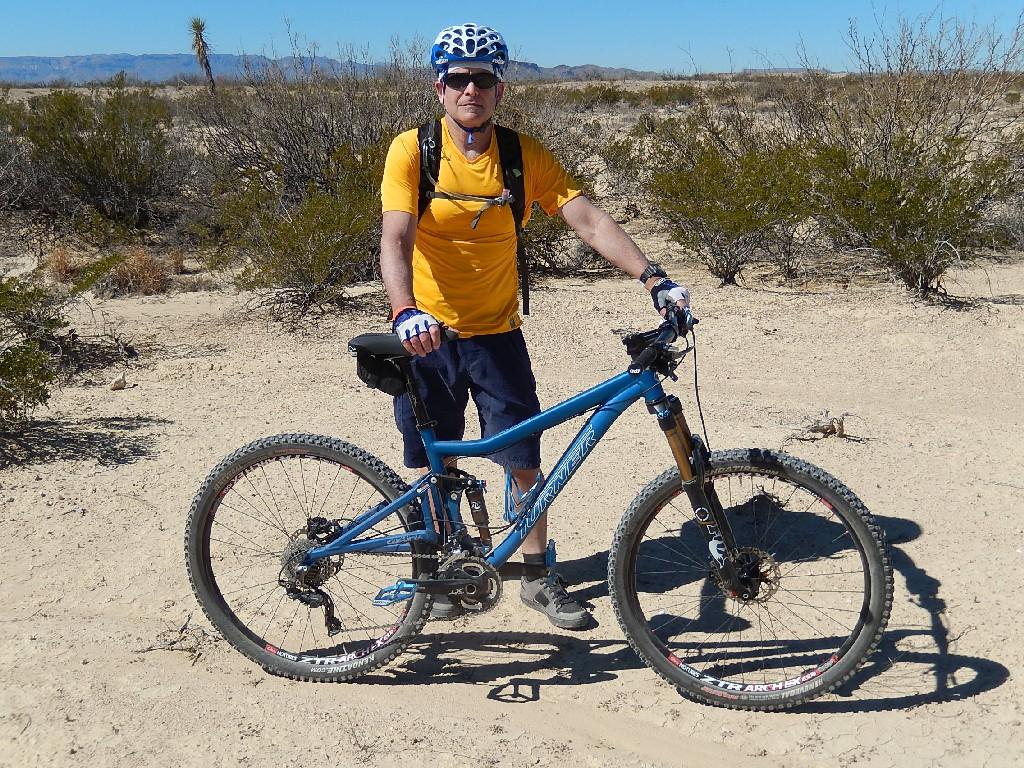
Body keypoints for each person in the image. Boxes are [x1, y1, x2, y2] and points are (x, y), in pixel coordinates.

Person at [379, 22, 690, 630]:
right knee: (430, 462)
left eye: (484, 79)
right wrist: (404, 309)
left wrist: (653, 277)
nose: (472, 89)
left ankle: (537, 574)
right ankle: (435, 569)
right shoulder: (412, 150)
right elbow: (395, 237)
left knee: (523, 458)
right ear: (440, 86)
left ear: (500, 87)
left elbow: (589, 220)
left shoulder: (523, 157)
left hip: (497, 334)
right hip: (428, 333)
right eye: (460, 78)